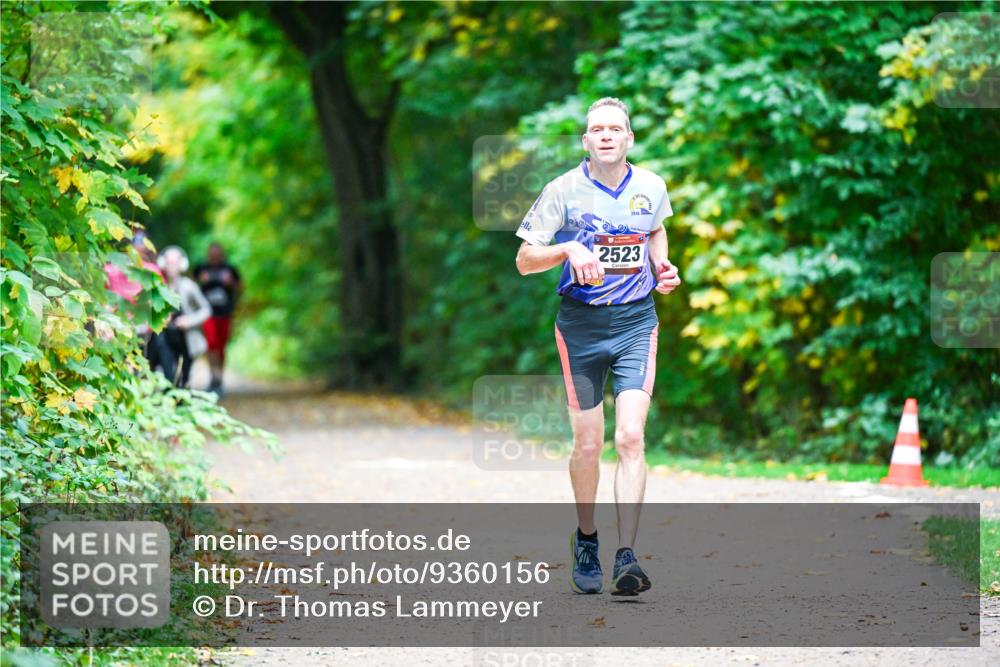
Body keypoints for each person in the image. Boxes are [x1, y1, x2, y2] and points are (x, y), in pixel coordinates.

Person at [514, 97, 682, 596]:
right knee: (588, 444)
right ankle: (586, 538)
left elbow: (656, 230)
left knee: (630, 437)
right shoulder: (562, 190)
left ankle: (626, 556)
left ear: (629, 138)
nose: (606, 135)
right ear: (586, 140)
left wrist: (661, 266)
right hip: (580, 328)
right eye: (597, 129)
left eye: (615, 128)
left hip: (635, 323)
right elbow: (524, 260)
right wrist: (568, 248)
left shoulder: (651, 186)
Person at [147, 246, 211, 388]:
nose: (172, 266)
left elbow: (206, 309)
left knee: (184, 379)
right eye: (169, 262)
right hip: (164, 339)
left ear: (182, 264)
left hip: (186, 339)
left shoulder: (189, 286)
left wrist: (190, 321)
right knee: (168, 376)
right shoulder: (158, 286)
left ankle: (181, 397)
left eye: (175, 262)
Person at [193, 242, 242, 394]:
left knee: (221, 347)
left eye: (217, 253)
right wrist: (200, 281)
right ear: (208, 254)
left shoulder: (230, 269)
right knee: (211, 344)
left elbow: (240, 287)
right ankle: (214, 375)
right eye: (212, 254)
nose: (214, 256)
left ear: (221, 254)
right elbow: (190, 286)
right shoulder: (201, 268)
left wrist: (231, 283)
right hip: (207, 314)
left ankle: (219, 377)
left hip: (225, 314)